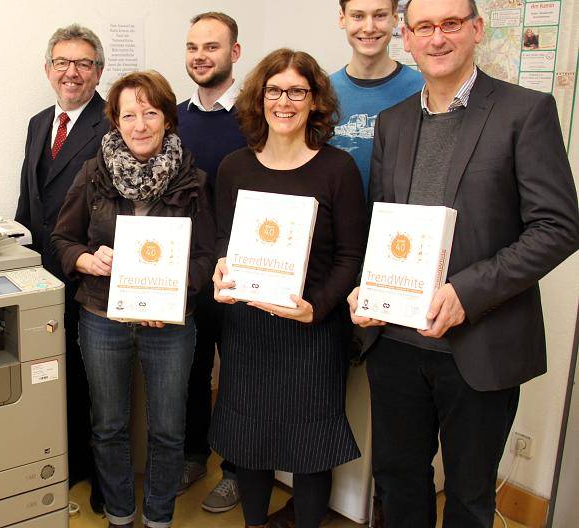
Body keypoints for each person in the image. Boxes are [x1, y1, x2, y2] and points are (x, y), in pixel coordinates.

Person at [347, 0, 579, 525]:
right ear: (407, 38)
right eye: (424, 27)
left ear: (476, 30)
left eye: (451, 24)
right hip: (397, 342)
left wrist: (465, 294)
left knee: (470, 497)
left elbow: (559, 227)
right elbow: (382, 225)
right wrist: (366, 287)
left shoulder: (526, 111)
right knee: (398, 483)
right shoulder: (393, 122)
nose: (437, 38)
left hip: (480, 345)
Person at [210, 49, 368, 528]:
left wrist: (316, 307)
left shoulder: (337, 169)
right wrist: (222, 268)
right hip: (249, 327)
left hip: (313, 331)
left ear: (314, 101)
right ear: (259, 99)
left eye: (297, 91)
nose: (284, 101)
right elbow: (223, 239)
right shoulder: (234, 167)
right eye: (274, 91)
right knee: (250, 442)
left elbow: (350, 258)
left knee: (311, 449)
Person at [51, 70, 215, 528]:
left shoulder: (193, 179)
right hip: (102, 316)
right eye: (129, 115)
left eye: (150, 112)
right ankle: (121, 515)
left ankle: (159, 518)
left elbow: (206, 255)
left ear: (167, 119)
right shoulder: (93, 173)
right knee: (108, 426)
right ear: (116, 122)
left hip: (171, 322)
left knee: (167, 429)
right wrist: (86, 260)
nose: (140, 124)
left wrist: (176, 293)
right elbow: (62, 238)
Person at [15, 23, 110, 512]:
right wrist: (16, 258)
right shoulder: (37, 123)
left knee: (97, 379)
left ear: (98, 71)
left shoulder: (113, 123)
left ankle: (102, 477)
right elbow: (28, 203)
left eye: (83, 63)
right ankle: (69, 461)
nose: (71, 72)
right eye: (62, 62)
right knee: (59, 373)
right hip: (43, 276)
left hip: (90, 275)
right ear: (48, 69)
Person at [176, 11, 246, 513]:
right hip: (187, 269)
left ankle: (239, 470)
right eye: (193, 47)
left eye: (212, 47)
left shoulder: (254, 119)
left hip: (242, 269)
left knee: (241, 371)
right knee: (193, 367)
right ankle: (194, 454)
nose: (201, 56)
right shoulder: (171, 118)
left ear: (234, 54)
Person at [330, 0, 424, 193]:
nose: (369, 27)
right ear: (342, 19)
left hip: (401, 220)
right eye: (358, 16)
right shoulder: (322, 92)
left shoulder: (424, 89)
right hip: (336, 219)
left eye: (380, 15)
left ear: (395, 19)